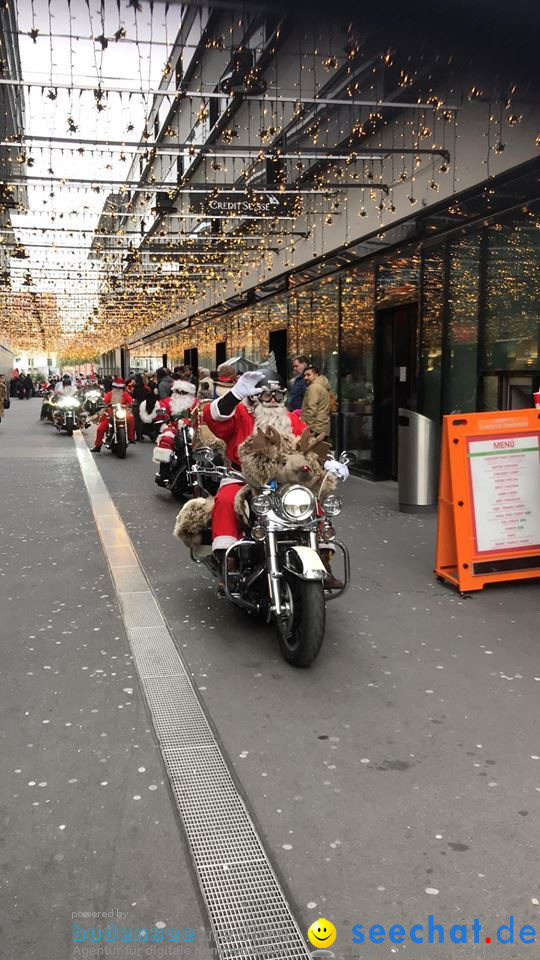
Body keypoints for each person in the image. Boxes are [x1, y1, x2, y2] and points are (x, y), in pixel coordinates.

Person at [202, 369, 307, 563]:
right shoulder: (242, 414)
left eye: (278, 394)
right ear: (255, 396)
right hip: (243, 477)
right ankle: (228, 558)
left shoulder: (291, 419)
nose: (273, 399)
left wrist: (326, 461)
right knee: (225, 500)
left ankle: (321, 554)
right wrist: (235, 395)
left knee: (310, 499)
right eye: (267, 394)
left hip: (282, 480)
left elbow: (307, 443)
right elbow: (213, 417)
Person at [91, 377, 135, 452]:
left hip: (122, 413)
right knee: (100, 429)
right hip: (110, 413)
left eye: (120, 387)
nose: (118, 389)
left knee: (131, 419)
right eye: (116, 387)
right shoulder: (109, 394)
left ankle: (131, 438)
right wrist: (105, 404)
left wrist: (133, 403)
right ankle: (98, 445)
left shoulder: (125, 394)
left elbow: (131, 401)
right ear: (113, 387)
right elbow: (105, 401)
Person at [302, 365, 332, 439]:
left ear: (316, 375)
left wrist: (306, 428)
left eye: (308, 375)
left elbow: (311, 409)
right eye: (304, 375)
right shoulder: (321, 386)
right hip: (321, 426)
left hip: (315, 428)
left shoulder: (314, 387)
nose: (305, 377)